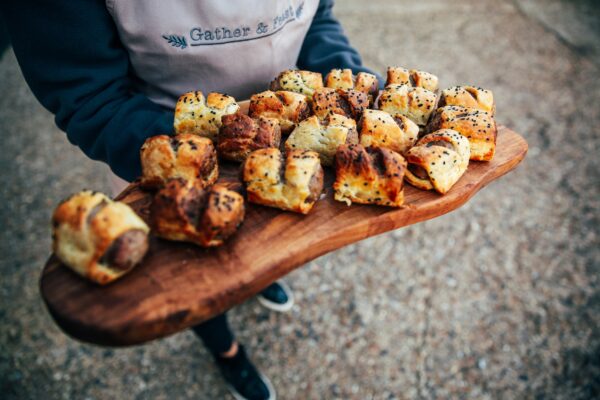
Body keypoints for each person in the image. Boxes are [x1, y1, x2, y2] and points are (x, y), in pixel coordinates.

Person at [1, 1, 378, 399]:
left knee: (263, 246)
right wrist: (205, 156)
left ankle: (261, 283)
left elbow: (315, 17)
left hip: (285, 155)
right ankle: (227, 351)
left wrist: (348, 85)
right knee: (194, 270)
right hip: (161, 154)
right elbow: (88, 92)